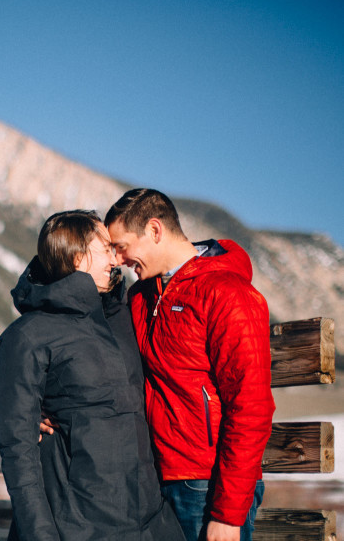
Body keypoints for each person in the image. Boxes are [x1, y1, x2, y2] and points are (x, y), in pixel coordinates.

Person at [0, 210, 183, 541]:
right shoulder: (27, 336)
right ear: (80, 257)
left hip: (150, 521)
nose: (116, 260)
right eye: (107, 249)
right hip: (79, 527)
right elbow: (17, 449)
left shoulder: (121, 316)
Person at [103, 188, 275, 541]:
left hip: (206, 482)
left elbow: (251, 406)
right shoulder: (140, 297)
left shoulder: (228, 294)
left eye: (121, 246)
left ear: (154, 230)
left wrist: (227, 513)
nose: (118, 258)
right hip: (153, 480)